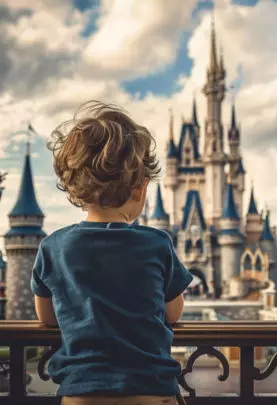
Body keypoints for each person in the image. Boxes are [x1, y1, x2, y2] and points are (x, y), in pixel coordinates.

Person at [30, 101, 193, 405]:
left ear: (74, 189)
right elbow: (173, 311)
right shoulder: (157, 244)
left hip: (82, 394)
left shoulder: (52, 247)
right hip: (150, 391)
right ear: (140, 189)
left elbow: (47, 317)